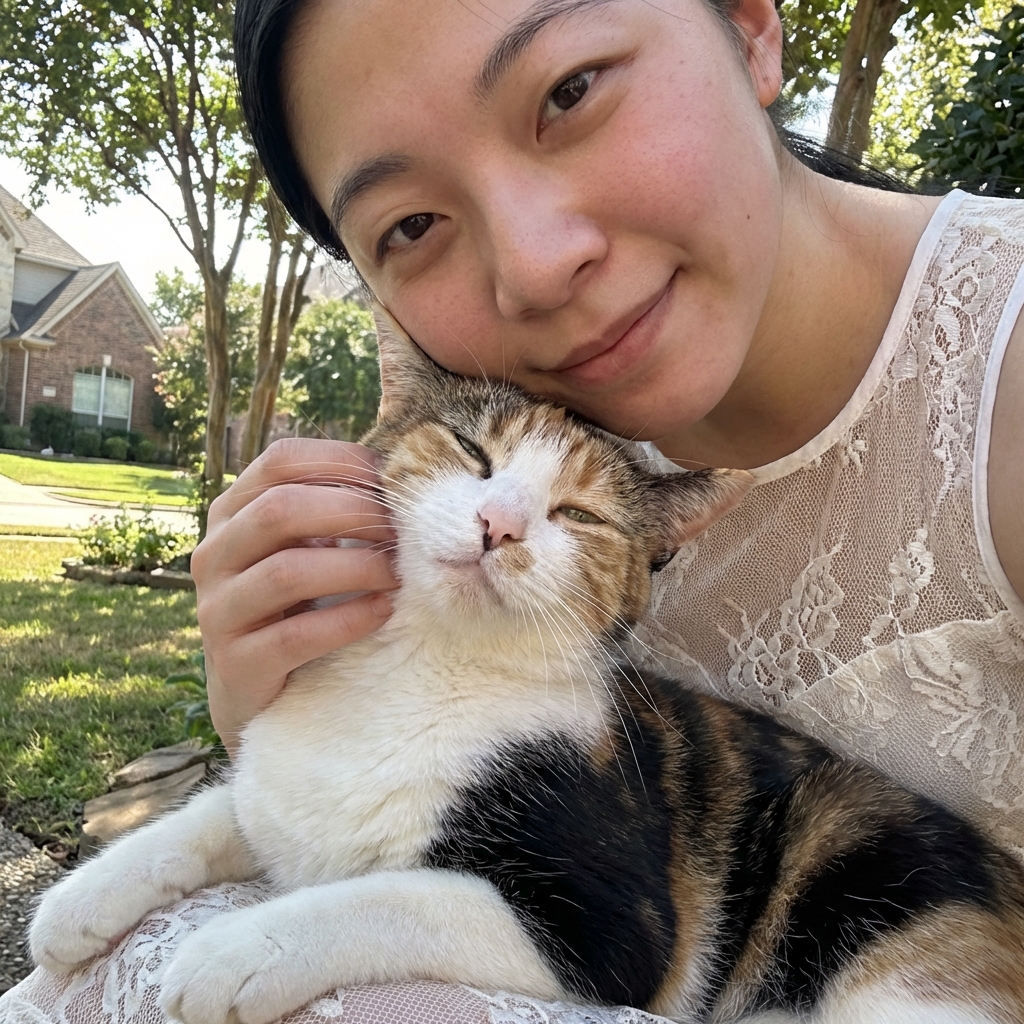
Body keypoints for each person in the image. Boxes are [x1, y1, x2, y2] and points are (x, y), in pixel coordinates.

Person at [1, 1, 1021, 1022]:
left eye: (568, 91)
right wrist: (277, 710)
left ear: (752, 23)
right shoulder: (510, 437)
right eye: (409, 224)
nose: (535, 263)